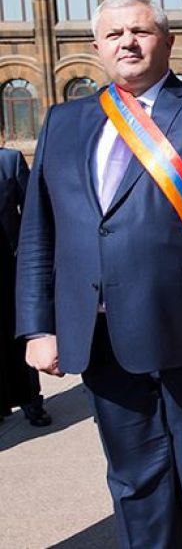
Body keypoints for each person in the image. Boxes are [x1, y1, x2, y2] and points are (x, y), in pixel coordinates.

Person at [16, 0, 182, 548]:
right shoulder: (65, 121)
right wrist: (38, 326)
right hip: (101, 337)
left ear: (169, 42)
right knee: (134, 484)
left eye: (141, 31)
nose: (128, 42)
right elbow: (40, 232)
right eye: (114, 35)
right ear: (97, 47)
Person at [0, 139, 50, 427]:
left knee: (19, 336)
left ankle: (32, 401)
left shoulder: (10, 161)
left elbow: (32, 212)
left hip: (10, 268)